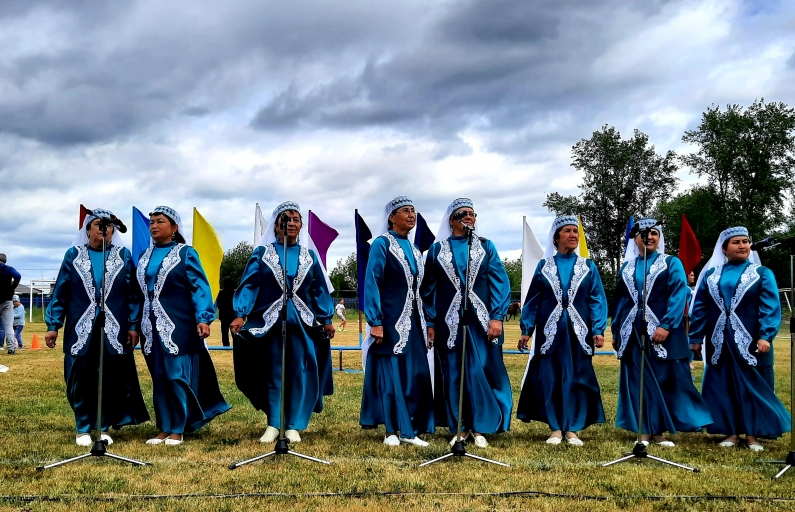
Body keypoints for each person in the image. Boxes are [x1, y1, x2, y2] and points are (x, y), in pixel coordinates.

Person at [230, 201, 335, 443]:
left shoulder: (309, 256)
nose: (291, 223)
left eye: (296, 219)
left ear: (301, 226)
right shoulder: (262, 254)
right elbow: (250, 284)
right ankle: (274, 423)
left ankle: (293, 424)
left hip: (302, 323)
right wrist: (240, 312)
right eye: (285, 219)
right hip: (270, 323)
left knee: (299, 371)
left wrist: (326, 317)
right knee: (273, 372)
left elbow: (318, 288)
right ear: (277, 225)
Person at [45, 209, 150, 446]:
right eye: (99, 225)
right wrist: (54, 325)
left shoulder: (123, 255)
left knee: (110, 376)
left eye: (110, 226)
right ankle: (82, 427)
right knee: (79, 376)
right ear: (88, 229)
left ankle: (103, 426)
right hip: (78, 328)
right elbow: (61, 291)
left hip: (114, 328)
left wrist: (133, 325)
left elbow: (133, 294)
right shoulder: (73, 254)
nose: (105, 230)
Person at [612, 218, 712, 446]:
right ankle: (644, 431)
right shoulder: (627, 267)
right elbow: (620, 301)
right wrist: (617, 331)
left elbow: (678, 294)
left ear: (659, 238)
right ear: (635, 239)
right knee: (639, 381)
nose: (649, 237)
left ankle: (659, 431)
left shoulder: (671, 263)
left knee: (664, 379)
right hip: (633, 333)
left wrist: (666, 325)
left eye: (655, 233)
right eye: (644, 234)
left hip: (663, 333)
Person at [689, 226, 790, 451]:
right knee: (723, 386)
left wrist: (766, 335)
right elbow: (701, 308)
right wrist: (695, 337)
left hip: (752, 343)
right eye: (736, 242)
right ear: (724, 249)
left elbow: (769, 306)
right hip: (719, 342)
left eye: (745, 241)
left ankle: (753, 435)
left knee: (753, 386)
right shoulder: (711, 275)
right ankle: (731, 432)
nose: (743, 246)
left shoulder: (762, 273)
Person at [421, 198, 512, 448]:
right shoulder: (437, 251)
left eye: (472, 213)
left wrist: (497, 317)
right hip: (449, 324)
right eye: (463, 213)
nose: (469, 217)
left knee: (481, 370)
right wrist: (430, 322)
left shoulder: (486, 246)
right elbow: (428, 289)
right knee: (453, 372)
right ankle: (459, 428)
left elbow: (499, 283)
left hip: (482, 323)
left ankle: (480, 426)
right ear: (451, 220)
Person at [136, 206, 230, 445]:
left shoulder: (185, 253)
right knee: (159, 377)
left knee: (177, 376)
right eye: (152, 222)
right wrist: (134, 324)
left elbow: (200, 287)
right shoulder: (144, 256)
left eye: (160, 221)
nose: (154, 226)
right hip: (150, 327)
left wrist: (203, 317)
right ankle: (163, 427)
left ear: (174, 228)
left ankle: (178, 428)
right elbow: (138, 294)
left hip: (180, 326)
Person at [516, 215, 608, 446]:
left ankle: (573, 428)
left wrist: (598, 329)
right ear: (556, 237)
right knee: (551, 378)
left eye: (575, 231)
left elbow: (596, 299)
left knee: (577, 378)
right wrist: (526, 329)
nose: (573, 235)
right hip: (550, 334)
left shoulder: (588, 267)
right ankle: (555, 427)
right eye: (567, 231)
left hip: (579, 335)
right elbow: (533, 300)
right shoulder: (544, 266)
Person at [360, 196, 435, 446]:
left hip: (415, 322)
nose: (412, 214)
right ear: (392, 217)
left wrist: (429, 323)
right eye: (405, 211)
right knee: (391, 373)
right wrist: (375, 320)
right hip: (390, 320)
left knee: (415, 374)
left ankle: (411, 427)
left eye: (414, 210)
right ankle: (392, 430)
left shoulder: (415, 250)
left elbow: (422, 290)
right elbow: (372, 281)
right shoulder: (381, 244)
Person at [0, 253, 22, 354]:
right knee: (8, 325)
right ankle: (11, 348)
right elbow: (17, 275)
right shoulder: (8, 269)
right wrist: (12, 287)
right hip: (6, 301)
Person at [215, 278, 236, 347]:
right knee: (234, 332)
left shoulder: (221, 293)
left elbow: (219, 305)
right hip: (232, 315)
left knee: (224, 332)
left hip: (224, 316)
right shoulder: (234, 293)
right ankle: (236, 344)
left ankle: (226, 345)